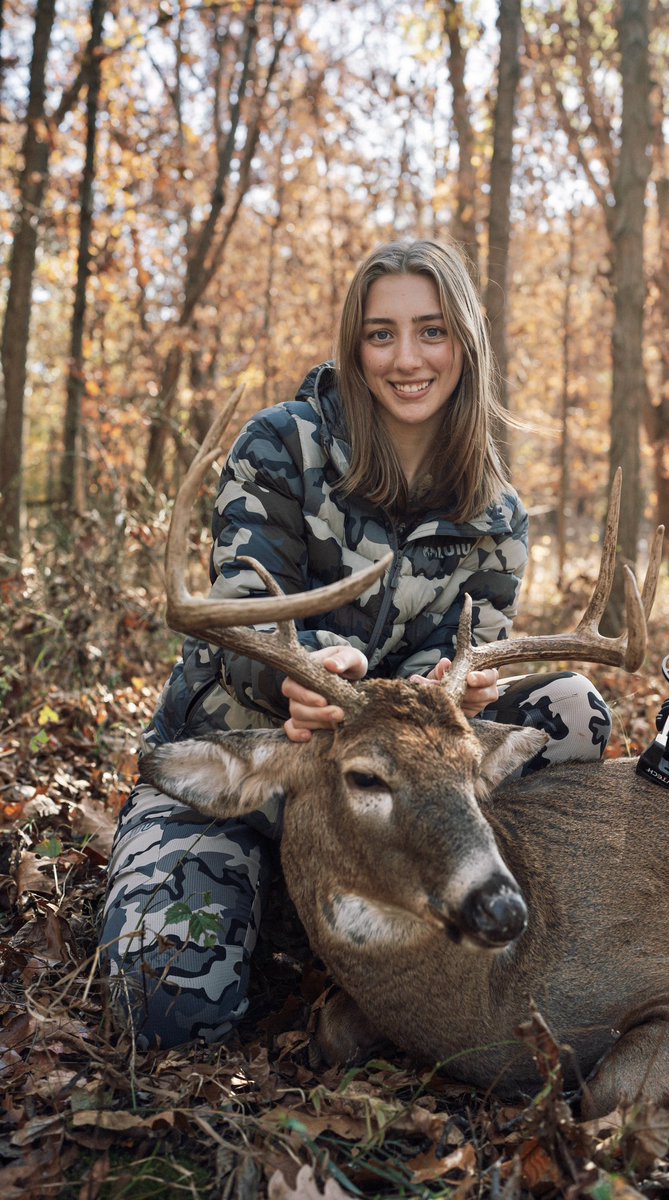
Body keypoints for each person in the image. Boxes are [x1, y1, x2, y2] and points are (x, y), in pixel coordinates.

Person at [100, 239, 613, 1049]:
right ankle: (267, 899)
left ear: (465, 344)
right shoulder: (284, 446)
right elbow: (236, 615)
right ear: (356, 345)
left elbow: (457, 670)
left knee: (573, 710)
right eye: (381, 334)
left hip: (389, 802)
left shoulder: (496, 512)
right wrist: (292, 678)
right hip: (259, 760)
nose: (407, 358)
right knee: (171, 1010)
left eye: (431, 331)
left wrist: (455, 697)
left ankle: (470, 918)